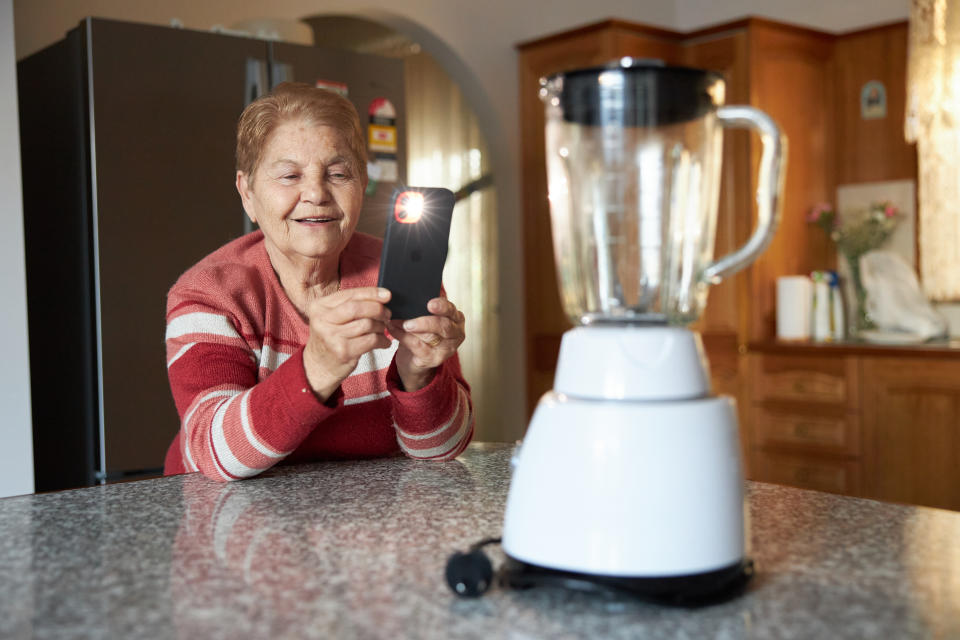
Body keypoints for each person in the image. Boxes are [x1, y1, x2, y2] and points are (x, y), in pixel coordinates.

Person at [162, 82, 473, 481]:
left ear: (362, 185)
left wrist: (419, 375)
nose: (316, 193)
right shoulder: (209, 295)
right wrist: (318, 365)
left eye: (338, 173)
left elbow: (442, 451)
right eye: (290, 175)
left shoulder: (403, 279)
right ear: (248, 194)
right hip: (227, 522)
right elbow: (214, 453)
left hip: (365, 522)